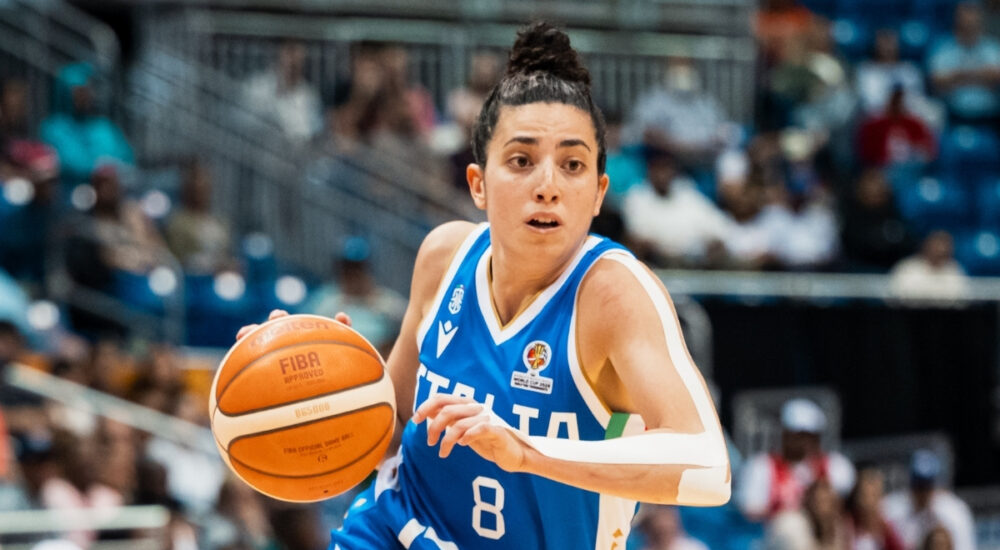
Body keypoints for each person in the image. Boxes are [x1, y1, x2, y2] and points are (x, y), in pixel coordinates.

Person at [238, 22, 730, 549]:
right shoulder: (444, 256)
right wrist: (317, 386)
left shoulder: (613, 294)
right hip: (393, 533)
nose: (547, 186)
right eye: (522, 161)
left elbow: (707, 468)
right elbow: (391, 425)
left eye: (573, 165)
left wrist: (525, 451)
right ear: (478, 184)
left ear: (597, 192)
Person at [736, 398, 856, 522]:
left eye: (807, 436)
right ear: (784, 434)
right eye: (796, 435)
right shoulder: (760, 467)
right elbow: (750, 513)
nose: (801, 442)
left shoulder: (835, 466)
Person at [882, 450, 976, 550]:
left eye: (927, 486)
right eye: (918, 485)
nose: (923, 492)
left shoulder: (955, 512)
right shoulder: (892, 509)